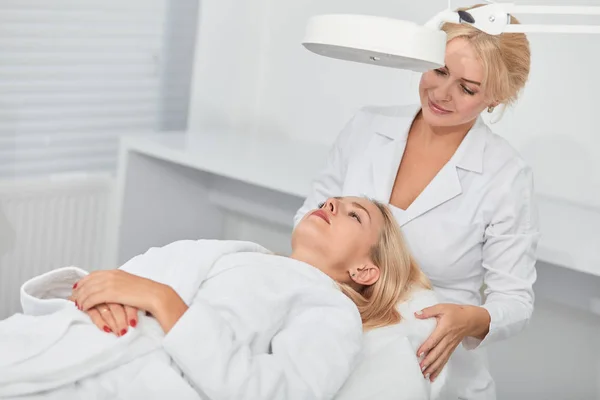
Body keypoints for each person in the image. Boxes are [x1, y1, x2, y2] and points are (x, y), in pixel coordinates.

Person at [294, 5, 539, 399]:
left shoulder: (505, 176)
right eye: (439, 71)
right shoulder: (368, 125)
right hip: (336, 352)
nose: (442, 94)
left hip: (437, 374)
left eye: (467, 88)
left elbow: (514, 301)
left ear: (495, 97)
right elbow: (310, 215)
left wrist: (470, 319)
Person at [1, 196, 433, 400]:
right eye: (332, 201)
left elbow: (280, 392)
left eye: (353, 214)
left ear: (364, 270)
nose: (333, 205)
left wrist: (165, 303)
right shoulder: (236, 252)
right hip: (77, 342)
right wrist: (100, 295)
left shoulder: (332, 311)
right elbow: (128, 278)